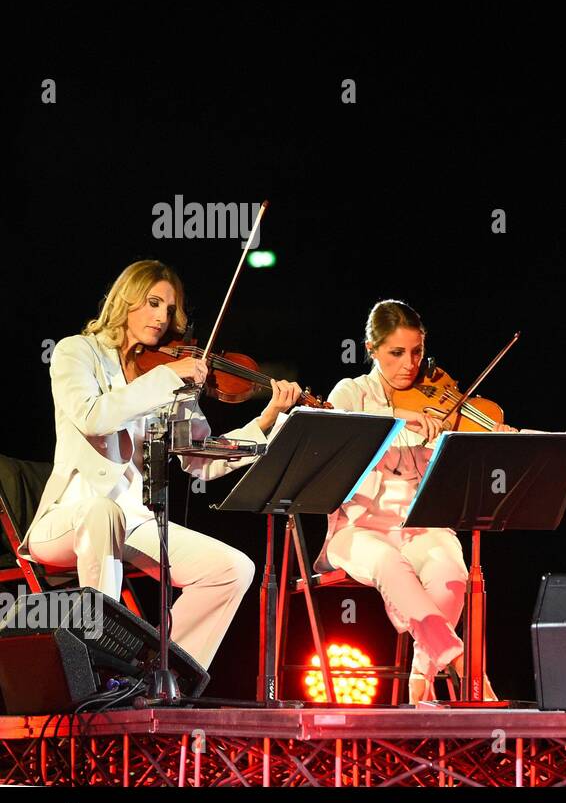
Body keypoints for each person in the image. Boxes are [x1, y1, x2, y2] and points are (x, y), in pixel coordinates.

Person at [23, 260, 302, 672]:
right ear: (126, 300)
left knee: (232, 569)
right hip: (68, 518)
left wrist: (264, 422)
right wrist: (167, 377)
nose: (162, 317)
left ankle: (164, 675)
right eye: (153, 303)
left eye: (170, 310)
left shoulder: (167, 373)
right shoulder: (75, 352)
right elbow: (92, 417)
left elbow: (201, 461)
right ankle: (100, 662)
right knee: (104, 511)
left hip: (133, 522)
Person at [317, 299, 515, 703]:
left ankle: (420, 677)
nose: (410, 364)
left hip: (418, 524)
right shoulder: (351, 393)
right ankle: (461, 663)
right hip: (357, 530)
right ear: (371, 350)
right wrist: (401, 423)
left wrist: (498, 440)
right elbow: (335, 441)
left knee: (451, 567)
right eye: (396, 353)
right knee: (390, 564)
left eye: (417, 352)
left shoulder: (437, 401)